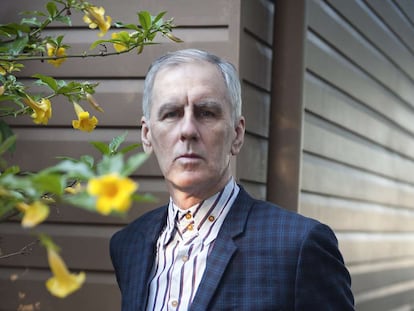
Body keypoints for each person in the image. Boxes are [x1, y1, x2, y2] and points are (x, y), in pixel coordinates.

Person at [110, 48, 355, 311]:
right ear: (147, 135)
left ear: (237, 135)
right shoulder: (129, 244)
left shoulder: (299, 246)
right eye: (171, 113)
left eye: (206, 113)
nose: (188, 130)